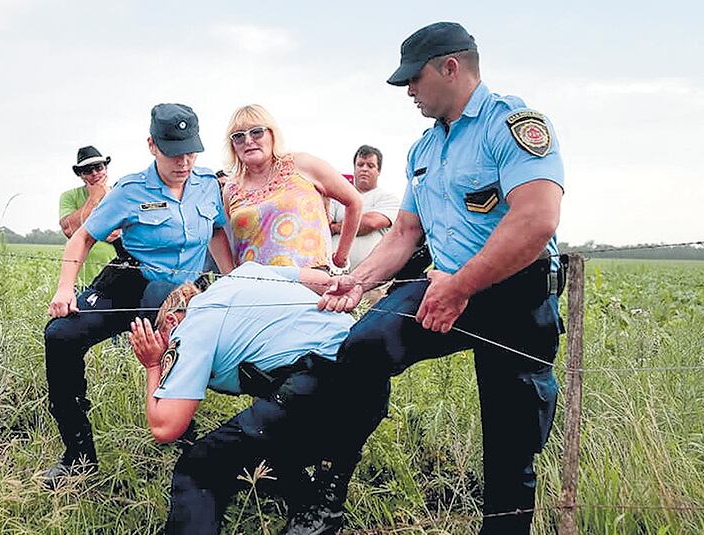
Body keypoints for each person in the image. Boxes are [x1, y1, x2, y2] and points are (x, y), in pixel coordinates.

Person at [309, 22, 567, 535]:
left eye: (414, 78)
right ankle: (327, 494)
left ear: (450, 68)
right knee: (363, 347)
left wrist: (461, 286)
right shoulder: (423, 150)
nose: (408, 91)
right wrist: (358, 281)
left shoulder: (512, 123)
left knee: (511, 445)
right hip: (446, 287)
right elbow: (405, 232)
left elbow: (537, 219)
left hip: (515, 293)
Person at [40, 103, 234, 489]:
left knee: (174, 318)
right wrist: (65, 288)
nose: (183, 162)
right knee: (59, 336)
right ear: (152, 145)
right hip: (130, 280)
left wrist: (231, 281)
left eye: (190, 152)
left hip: (180, 290)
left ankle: (185, 438)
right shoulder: (130, 190)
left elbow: (216, 231)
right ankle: (78, 456)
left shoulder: (208, 186)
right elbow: (83, 235)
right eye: (173, 152)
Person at [127, 261, 353, 534]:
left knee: (198, 467)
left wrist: (152, 365)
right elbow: (323, 280)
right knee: (263, 439)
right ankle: (313, 506)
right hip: (365, 376)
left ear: (172, 320)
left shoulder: (192, 325)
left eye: (158, 344)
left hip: (316, 384)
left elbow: (166, 427)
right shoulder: (246, 272)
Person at [222, 104, 362, 269]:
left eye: (256, 132)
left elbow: (354, 201)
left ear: (272, 134)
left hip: (310, 283)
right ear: (232, 145)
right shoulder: (231, 189)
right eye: (238, 136)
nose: (248, 140)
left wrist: (340, 257)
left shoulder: (302, 164)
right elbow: (228, 241)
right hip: (254, 287)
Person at [59, 145, 127, 286]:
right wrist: (94, 199)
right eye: (88, 170)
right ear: (81, 174)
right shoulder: (70, 196)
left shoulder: (121, 193)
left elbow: (127, 231)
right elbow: (69, 230)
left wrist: (95, 232)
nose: (95, 173)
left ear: (106, 168)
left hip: (118, 275)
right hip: (82, 278)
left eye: (99, 167)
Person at [328, 145, 400, 270]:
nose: (364, 169)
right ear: (354, 169)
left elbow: (370, 223)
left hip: (370, 283)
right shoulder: (337, 197)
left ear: (379, 171)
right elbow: (323, 225)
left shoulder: (389, 199)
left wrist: (335, 227)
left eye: (370, 166)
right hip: (332, 277)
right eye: (360, 165)